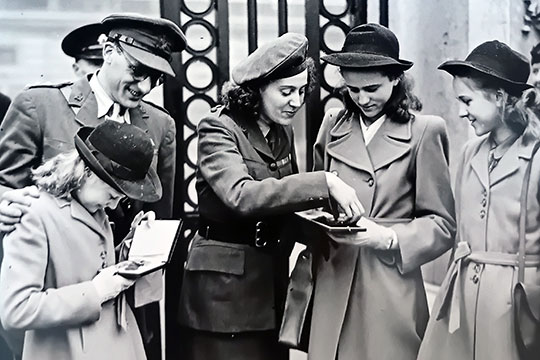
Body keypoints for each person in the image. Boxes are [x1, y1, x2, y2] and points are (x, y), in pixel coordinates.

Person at [0, 13, 185, 359]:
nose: (143, 87)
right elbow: (5, 185)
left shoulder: (161, 125)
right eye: (137, 71)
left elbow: (159, 212)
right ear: (108, 50)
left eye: (155, 78)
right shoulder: (40, 105)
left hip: (120, 310)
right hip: (54, 306)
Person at [178, 33, 363, 360]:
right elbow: (241, 195)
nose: (296, 101)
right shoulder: (218, 127)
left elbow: (281, 201)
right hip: (223, 295)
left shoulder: (281, 130)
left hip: (269, 286)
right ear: (256, 90)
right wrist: (323, 183)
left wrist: (331, 227)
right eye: (286, 91)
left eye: (302, 91)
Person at [305, 23, 456, 360]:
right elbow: (313, 196)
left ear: (395, 79)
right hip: (334, 278)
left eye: (372, 88)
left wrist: (388, 237)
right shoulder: (332, 125)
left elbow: (443, 225)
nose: (362, 99)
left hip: (389, 284)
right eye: (352, 89)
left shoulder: (424, 132)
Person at [417, 40, 540, 360]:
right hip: (462, 304)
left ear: (499, 97)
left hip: (518, 308)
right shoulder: (470, 151)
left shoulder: (538, 157)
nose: (460, 112)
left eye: (467, 101)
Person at [0, 121, 162, 360]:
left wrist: (132, 244)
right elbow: (16, 310)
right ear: (87, 172)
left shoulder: (93, 207)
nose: (115, 205)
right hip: (67, 351)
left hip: (117, 344)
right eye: (112, 195)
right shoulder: (34, 214)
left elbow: (88, 264)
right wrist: (95, 293)